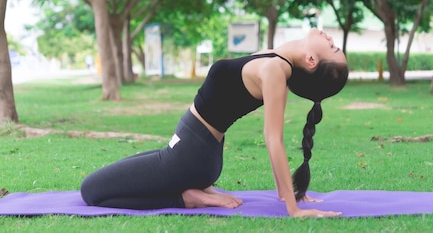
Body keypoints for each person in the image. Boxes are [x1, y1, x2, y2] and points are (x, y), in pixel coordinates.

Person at [80, 28, 349, 218]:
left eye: (333, 47)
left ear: (312, 60)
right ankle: (195, 189)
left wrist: (293, 208)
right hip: (187, 150)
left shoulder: (275, 71)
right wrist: (286, 191)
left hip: (190, 157)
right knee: (118, 178)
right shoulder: (276, 59)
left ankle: (186, 198)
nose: (331, 39)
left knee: (91, 191)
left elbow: (273, 138)